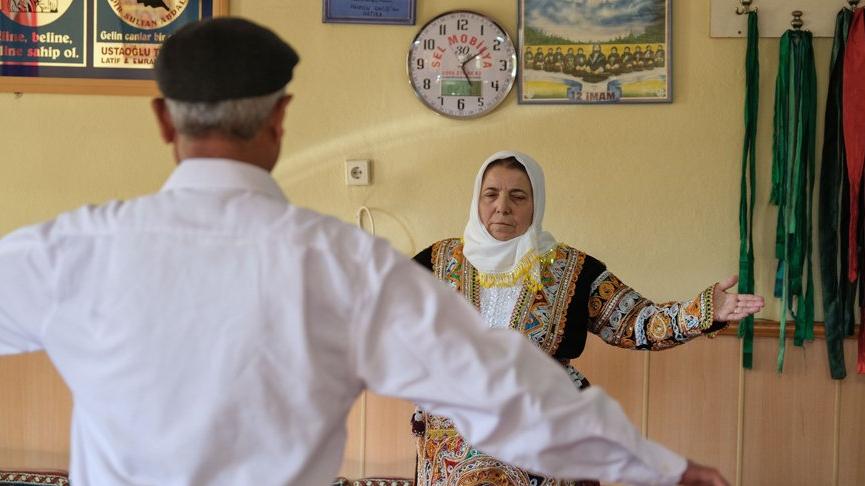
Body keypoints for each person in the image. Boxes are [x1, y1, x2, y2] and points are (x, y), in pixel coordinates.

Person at [0, 16, 732, 486]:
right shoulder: (345, 267)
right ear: (281, 118)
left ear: (164, 121)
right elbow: (504, 389)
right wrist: (662, 471)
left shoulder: (69, 253)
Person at [411, 151, 764, 486]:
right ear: (477, 200)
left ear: (536, 205)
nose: (502, 207)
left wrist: (702, 312)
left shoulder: (572, 269)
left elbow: (636, 322)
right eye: (491, 194)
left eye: (518, 196)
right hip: (453, 441)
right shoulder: (437, 262)